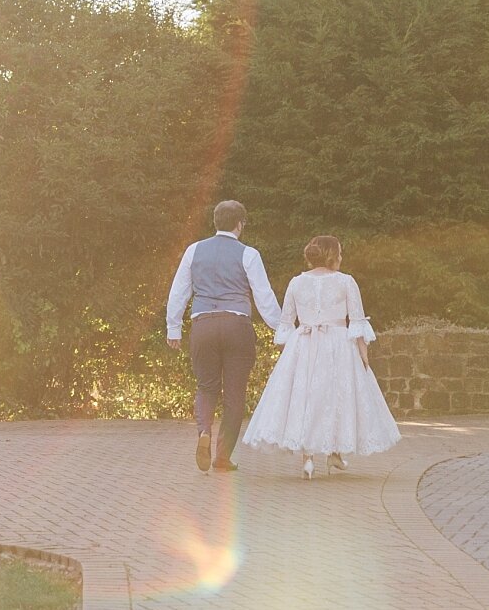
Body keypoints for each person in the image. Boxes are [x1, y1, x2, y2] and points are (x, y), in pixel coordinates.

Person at [241, 235, 400, 478]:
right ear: (332, 255)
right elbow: (357, 321)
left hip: (303, 343)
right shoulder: (346, 282)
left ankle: (310, 459)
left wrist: (288, 357)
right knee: (335, 396)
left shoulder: (296, 283)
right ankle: (333, 453)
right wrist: (364, 355)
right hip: (338, 344)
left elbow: (286, 322)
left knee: (306, 397)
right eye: (340, 252)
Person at [166, 200, 284, 473]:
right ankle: (222, 456)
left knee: (206, 386)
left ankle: (203, 432)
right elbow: (263, 296)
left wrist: (174, 328)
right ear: (240, 224)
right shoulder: (248, 254)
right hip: (236, 326)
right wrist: (281, 330)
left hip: (203, 324)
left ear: (215, 222)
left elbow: (179, 291)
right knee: (234, 393)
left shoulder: (193, 250)